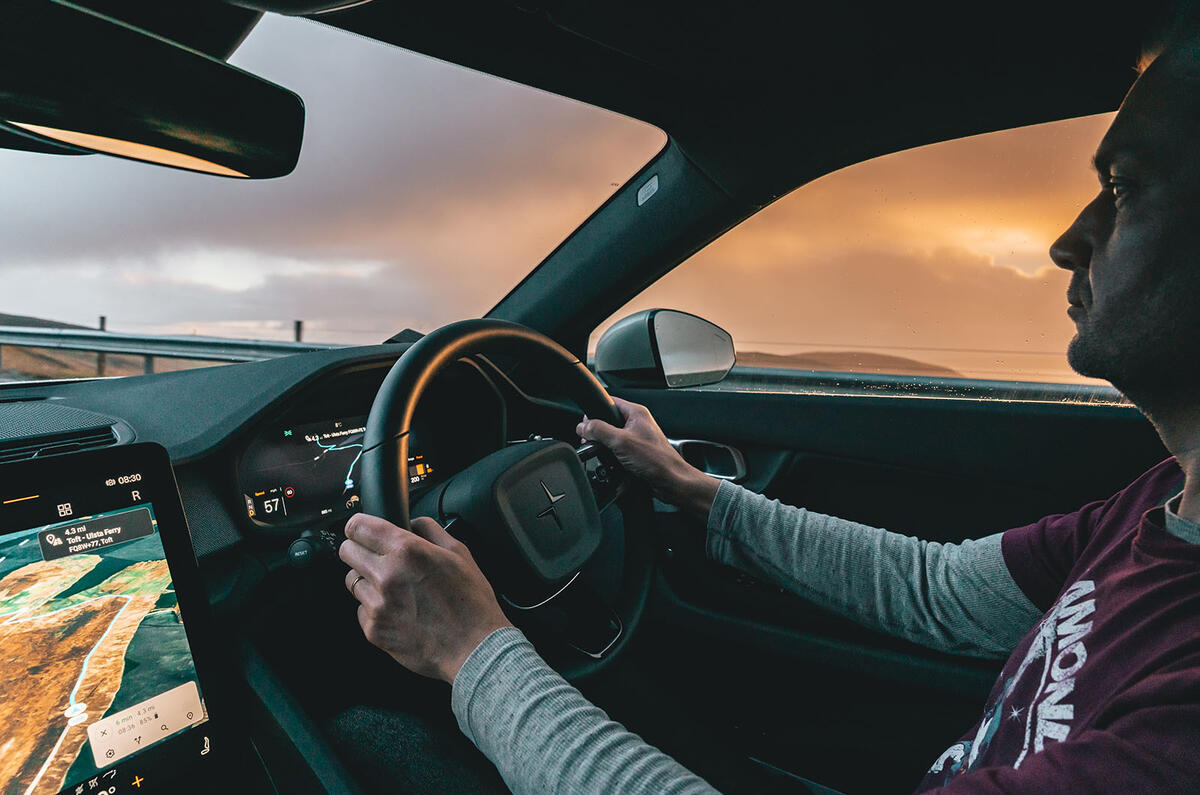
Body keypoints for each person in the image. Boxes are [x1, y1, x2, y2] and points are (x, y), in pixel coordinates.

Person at [336, 29, 1200, 795]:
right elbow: (934, 590)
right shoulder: (1160, 502)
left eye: (1124, 188)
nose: (1067, 239)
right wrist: (693, 489)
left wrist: (472, 653)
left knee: (366, 739)